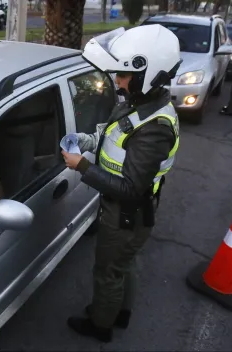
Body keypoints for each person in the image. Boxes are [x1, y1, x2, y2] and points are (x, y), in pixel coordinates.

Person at [61, 25, 182, 343]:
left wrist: (81, 166)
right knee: (123, 265)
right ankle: (121, 312)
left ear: (148, 74)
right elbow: (112, 135)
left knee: (107, 272)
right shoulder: (141, 103)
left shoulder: (155, 127)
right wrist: (86, 140)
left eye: (124, 75)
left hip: (126, 214)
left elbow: (130, 188)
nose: (117, 80)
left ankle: (101, 325)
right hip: (128, 213)